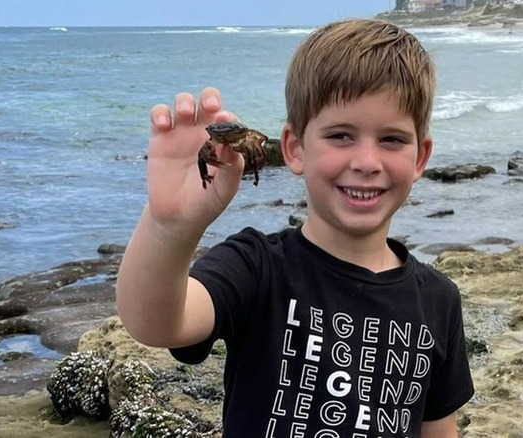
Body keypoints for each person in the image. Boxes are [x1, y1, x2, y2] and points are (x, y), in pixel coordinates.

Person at [116, 18, 474, 437]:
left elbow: (437, 428)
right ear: (294, 148)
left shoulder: (438, 300)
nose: (366, 161)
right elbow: (155, 322)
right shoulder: (255, 267)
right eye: (340, 135)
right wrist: (169, 227)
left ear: (420, 157)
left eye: (392, 139)